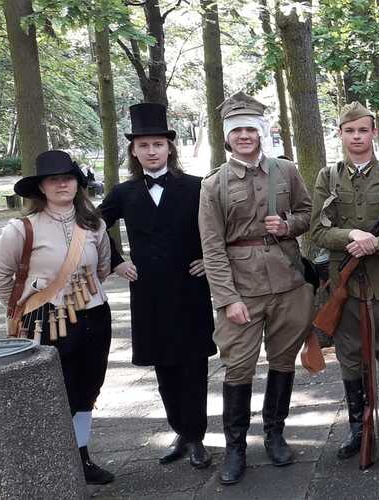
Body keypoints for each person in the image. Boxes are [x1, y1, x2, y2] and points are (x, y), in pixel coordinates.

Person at [198, 92, 314, 484]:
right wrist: (227, 299)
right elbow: (212, 248)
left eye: (251, 129)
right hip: (242, 289)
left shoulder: (285, 170)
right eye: (238, 131)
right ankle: (235, 447)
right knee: (239, 366)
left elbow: (307, 213)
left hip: (288, 282)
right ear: (228, 138)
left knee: (283, 360)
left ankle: (275, 433)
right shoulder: (213, 184)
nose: (245, 136)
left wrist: (289, 225)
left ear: (261, 133)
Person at [0, 150, 115, 484]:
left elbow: (101, 268)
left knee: (88, 389)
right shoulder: (22, 228)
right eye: (53, 179)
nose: (62, 184)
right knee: (54, 390)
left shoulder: (95, 224)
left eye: (68, 178)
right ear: (41, 187)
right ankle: (52, 459)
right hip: (46, 321)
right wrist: (29, 307)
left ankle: (82, 458)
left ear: (77, 184)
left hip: (95, 318)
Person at [99, 102, 217, 468]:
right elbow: (94, 225)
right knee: (164, 368)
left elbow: (220, 229)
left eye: (158, 144)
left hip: (190, 287)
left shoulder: (197, 187)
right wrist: (117, 261)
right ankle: (180, 430)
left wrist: (209, 260)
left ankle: (197, 436)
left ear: (170, 147)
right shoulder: (124, 193)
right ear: (134, 150)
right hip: (148, 291)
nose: (152, 151)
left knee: (194, 365)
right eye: (144, 145)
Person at [310, 102, 379, 459]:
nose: (356, 137)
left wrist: (375, 244)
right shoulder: (327, 178)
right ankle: (358, 427)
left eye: (363, 130)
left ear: (374, 132)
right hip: (346, 288)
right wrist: (351, 236)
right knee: (350, 357)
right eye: (349, 131)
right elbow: (316, 232)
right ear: (340, 134)